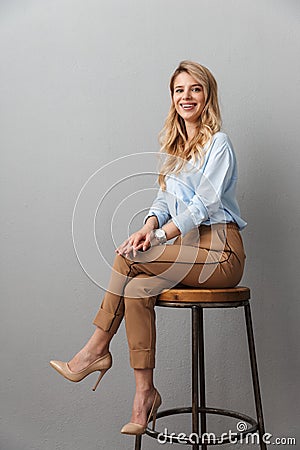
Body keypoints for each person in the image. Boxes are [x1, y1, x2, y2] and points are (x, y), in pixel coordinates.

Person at [50, 60, 247, 436]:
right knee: (137, 289)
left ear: (208, 96)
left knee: (128, 259)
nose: (186, 97)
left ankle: (94, 350)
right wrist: (148, 226)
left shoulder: (218, 144)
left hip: (220, 253)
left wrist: (157, 239)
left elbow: (204, 205)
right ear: (172, 98)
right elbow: (162, 201)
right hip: (186, 252)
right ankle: (145, 395)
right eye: (179, 90)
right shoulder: (175, 147)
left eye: (195, 89)